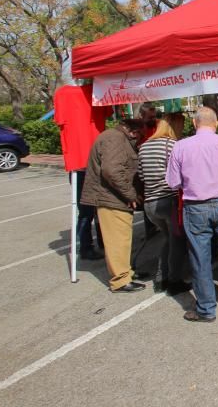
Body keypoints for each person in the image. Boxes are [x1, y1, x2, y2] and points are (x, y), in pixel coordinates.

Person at [166, 107, 218, 322]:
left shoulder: (180, 146)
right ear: (216, 123)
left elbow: (173, 182)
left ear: (194, 124)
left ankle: (206, 308)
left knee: (199, 257)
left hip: (195, 206)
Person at [80, 119, 145, 292]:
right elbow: (112, 171)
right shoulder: (114, 139)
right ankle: (121, 281)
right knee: (118, 241)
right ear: (132, 131)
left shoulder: (114, 137)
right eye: (139, 134)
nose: (139, 139)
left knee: (122, 240)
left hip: (114, 198)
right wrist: (130, 194)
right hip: (111, 199)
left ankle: (125, 272)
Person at [138, 119, 189, 295]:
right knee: (176, 242)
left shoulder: (144, 146)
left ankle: (163, 277)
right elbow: (180, 174)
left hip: (150, 203)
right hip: (167, 200)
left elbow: (142, 177)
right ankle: (171, 279)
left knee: (168, 239)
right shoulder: (172, 145)